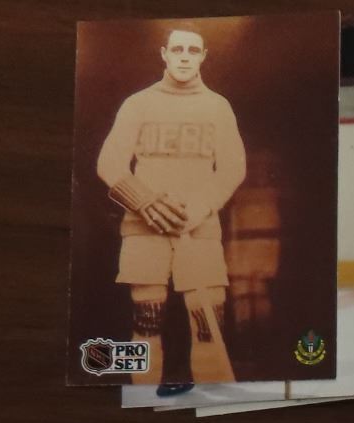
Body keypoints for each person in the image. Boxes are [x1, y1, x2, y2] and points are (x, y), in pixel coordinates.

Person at [95, 27, 245, 386]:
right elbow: (109, 163)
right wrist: (144, 201)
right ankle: (145, 402)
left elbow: (233, 168)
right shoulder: (138, 104)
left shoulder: (217, 107)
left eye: (192, 50)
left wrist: (198, 208)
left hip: (199, 230)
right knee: (146, 324)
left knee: (208, 326)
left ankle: (214, 405)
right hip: (144, 229)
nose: (184, 57)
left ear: (203, 56)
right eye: (177, 49)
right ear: (164, 53)